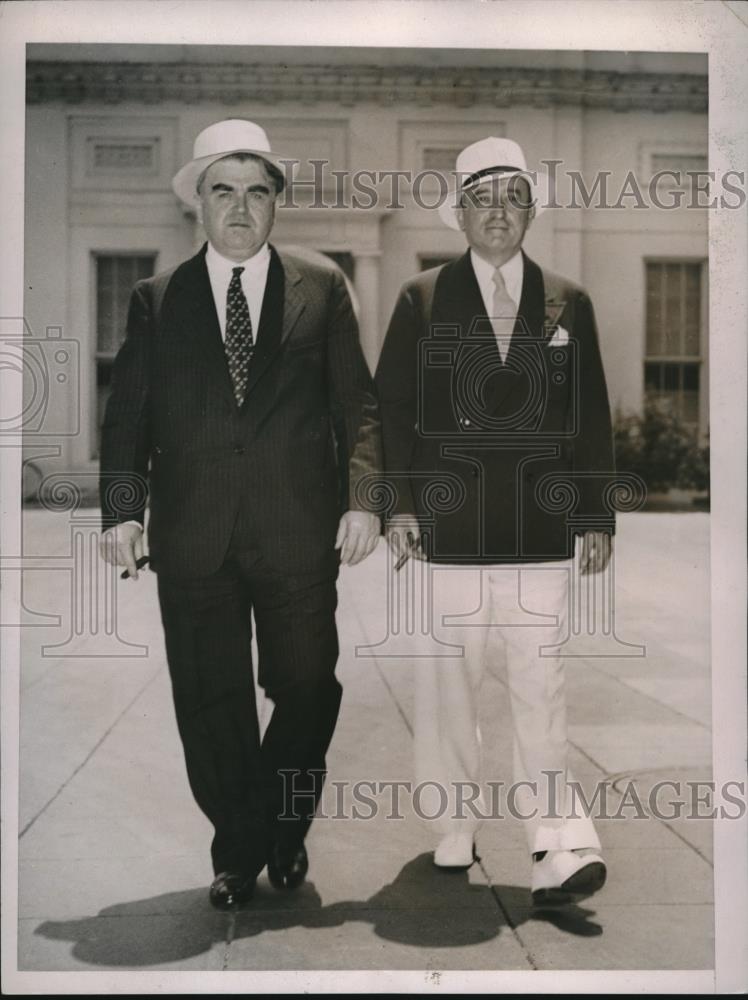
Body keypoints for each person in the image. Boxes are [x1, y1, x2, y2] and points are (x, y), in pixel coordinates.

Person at [99, 119, 382, 910]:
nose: (240, 206)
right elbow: (129, 417)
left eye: (258, 191)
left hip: (297, 530)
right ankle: (239, 850)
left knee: (306, 685)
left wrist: (365, 498)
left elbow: (357, 406)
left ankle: (282, 825)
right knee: (210, 698)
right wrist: (123, 511)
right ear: (198, 202)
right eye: (223, 190)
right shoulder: (159, 300)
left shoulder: (321, 286)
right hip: (194, 536)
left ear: (276, 206)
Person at [374, 137, 615, 905]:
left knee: (541, 687)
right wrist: (401, 505)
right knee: (451, 683)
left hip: (539, 529)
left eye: (514, 197)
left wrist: (595, 512)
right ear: (462, 214)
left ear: (532, 211)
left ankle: (557, 844)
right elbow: (392, 412)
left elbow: (591, 413)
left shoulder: (567, 299)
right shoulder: (421, 297)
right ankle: (453, 822)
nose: (499, 213)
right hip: (451, 529)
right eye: (484, 198)